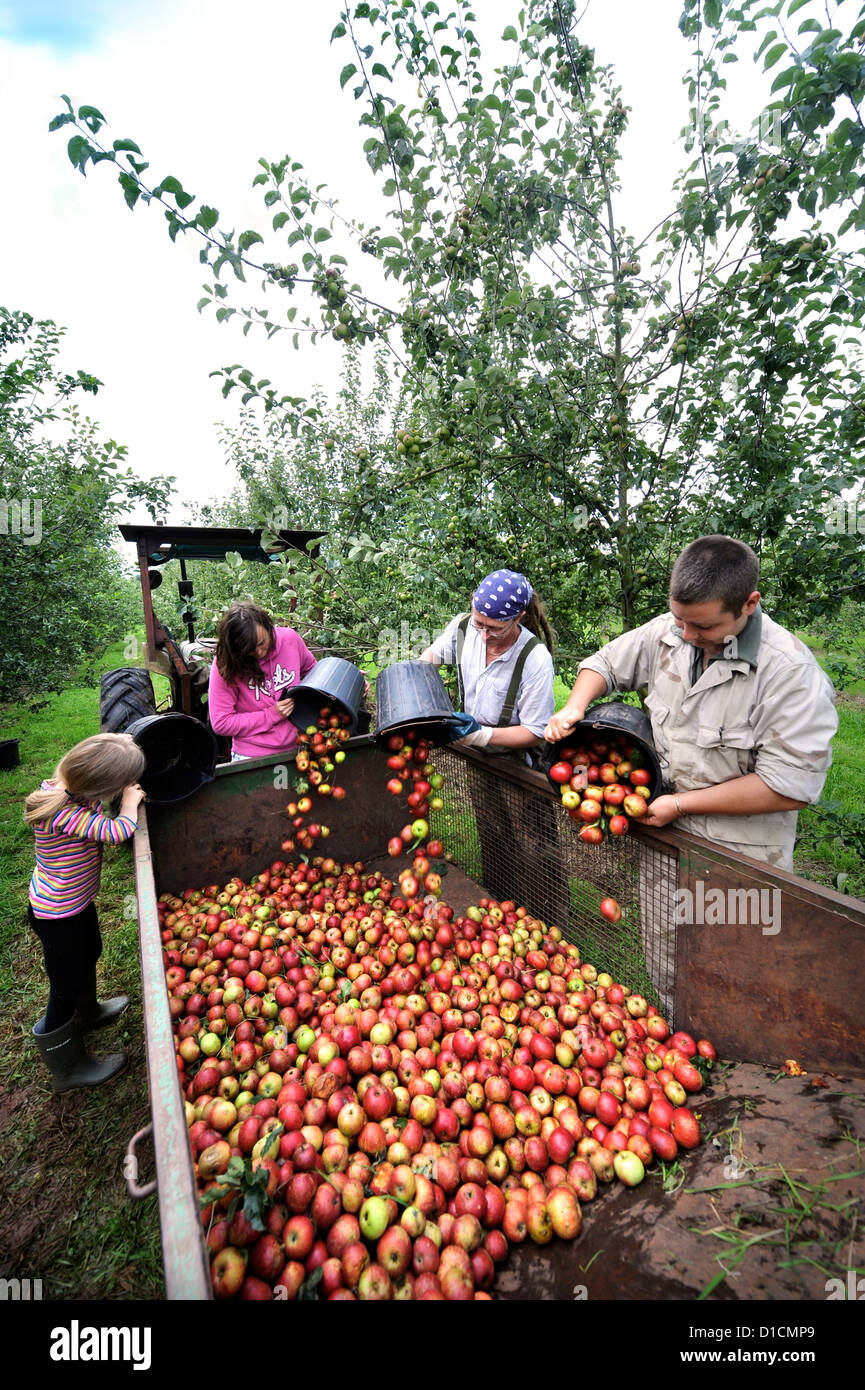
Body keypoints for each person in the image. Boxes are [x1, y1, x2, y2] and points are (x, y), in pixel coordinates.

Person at [545, 535, 839, 1012]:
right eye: (679, 619)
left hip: (736, 854)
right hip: (665, 837)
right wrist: (574, 707)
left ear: (749, 604)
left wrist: (680, 804)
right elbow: (604, 664)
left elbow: (789, 785)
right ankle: (675, 1033)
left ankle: (736, 1061)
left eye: (701, 625)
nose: (684, 635)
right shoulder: (671, 629)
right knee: (666, 954)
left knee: (734, 963)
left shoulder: (789, 676)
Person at [420, 570, 564, 925]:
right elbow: (433, 656)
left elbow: (535, 731)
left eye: (494, 628)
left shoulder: (534, 658)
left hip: (518, 762)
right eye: (479, 622)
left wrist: (480, 735)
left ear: (519, 617)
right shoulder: (464, 628)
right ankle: (500, 906)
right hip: (479, 757)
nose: (483, 634)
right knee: (492, 831)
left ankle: (547, 921)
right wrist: (419, 680)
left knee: (534, 845)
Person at [25, 733, 147, 1093]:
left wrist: (119, 748)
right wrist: (128, 803)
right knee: (63, 987)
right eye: (118, 786)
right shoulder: (68, 813)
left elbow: (103, 753)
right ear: (100, 787)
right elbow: (119, 831)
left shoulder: (69, 787)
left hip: (75, 906)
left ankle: (89, 1011)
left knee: (89, 953)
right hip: (59, 916)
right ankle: (69, 1069)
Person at [208, 601, 318, 760]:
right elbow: (221, 722)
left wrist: (346, 678)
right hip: (251, 756)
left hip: (300, 746)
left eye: (262, 643)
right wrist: (271, 715)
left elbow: (313, 672)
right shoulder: (227, 663)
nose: (259, 652)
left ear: (268, 627)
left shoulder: (290, 640)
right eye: (249, 650)